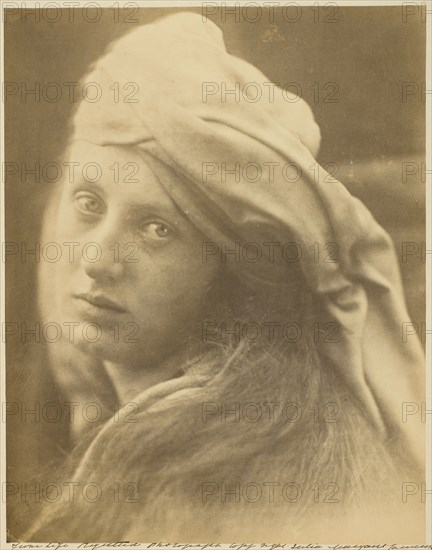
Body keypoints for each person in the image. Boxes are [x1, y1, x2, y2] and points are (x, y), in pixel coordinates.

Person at [11, 11, 424, 542]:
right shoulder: (153, 399)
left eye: (157, 229)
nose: (97, 259)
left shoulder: (205, 460)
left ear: (229, 269)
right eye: (89, 203)